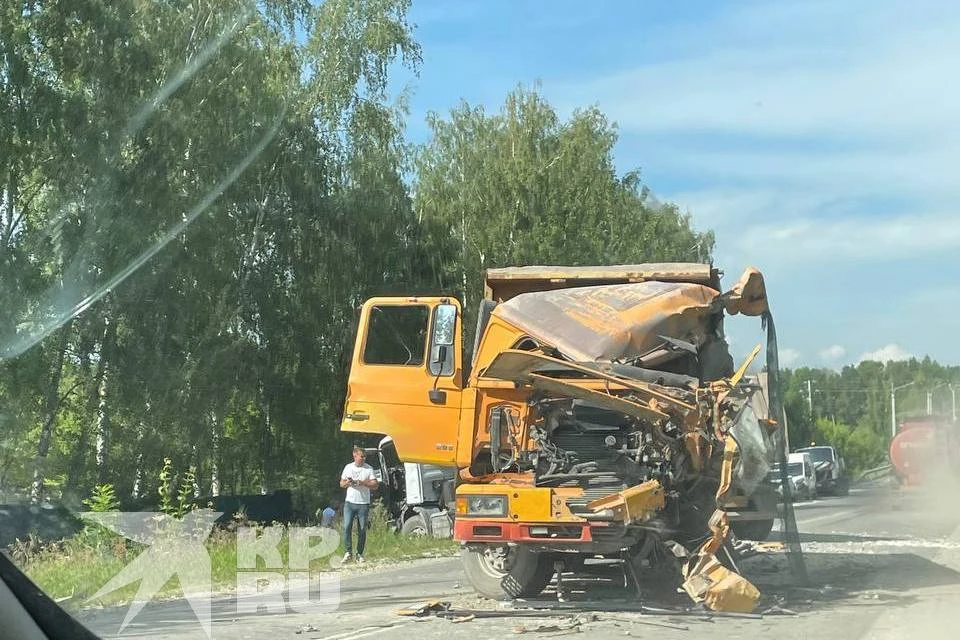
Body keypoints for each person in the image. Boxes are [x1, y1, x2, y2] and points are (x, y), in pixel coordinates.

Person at [339, 446, 378, 563]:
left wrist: (362, 483)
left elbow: (375, 485)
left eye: (364, 457)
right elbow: (341, 483)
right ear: (355, 456)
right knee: (347, 526)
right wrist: (348, 482)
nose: (363, 458)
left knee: (362, 529)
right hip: (350, 502)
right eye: (361, 456)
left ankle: (360, 554)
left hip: (363, 503)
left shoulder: (368, 469)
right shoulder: (348, 467)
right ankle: (348, 552)